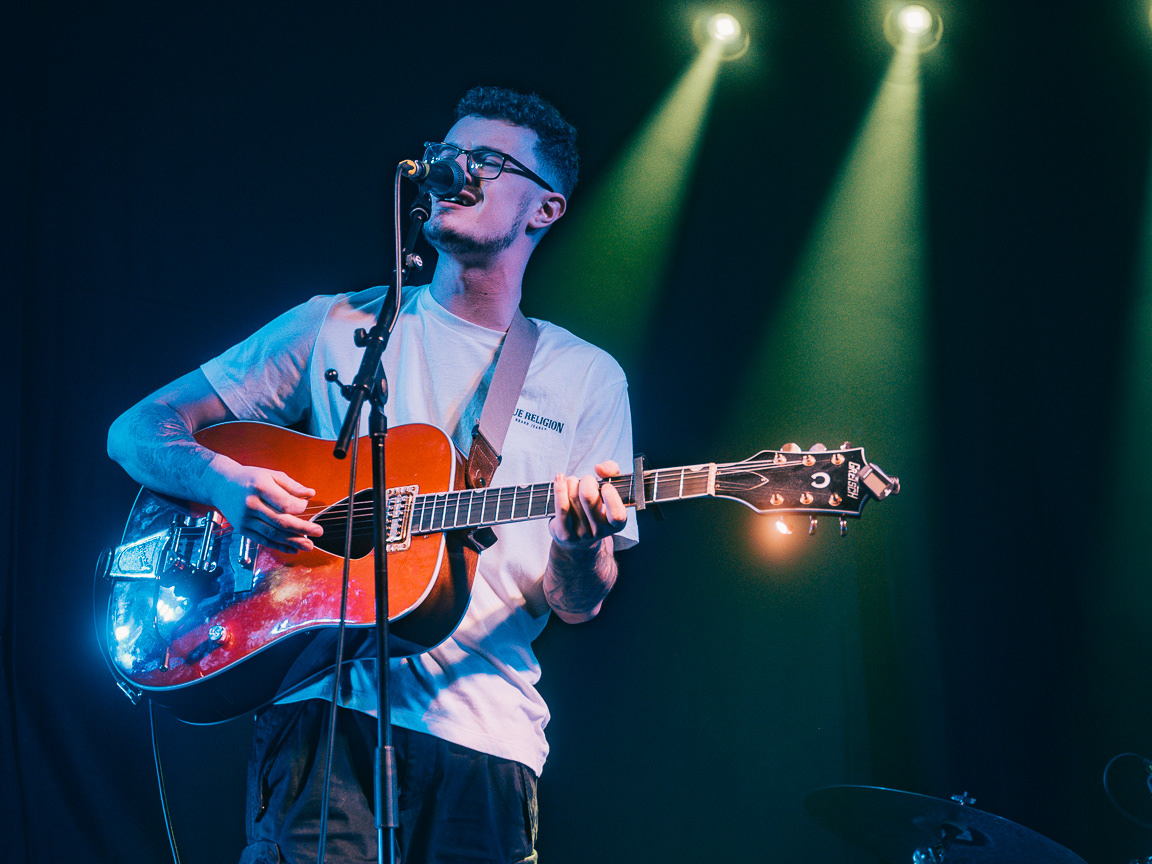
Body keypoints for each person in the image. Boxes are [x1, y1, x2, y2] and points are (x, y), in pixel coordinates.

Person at [107, 85, 639, 864]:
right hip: (323, 720)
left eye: (490, 161)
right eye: (449, 153)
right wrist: (223, 481)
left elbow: (577, 602)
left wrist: (577, 545)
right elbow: (136, 431)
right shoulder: (335, 324)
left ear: (545, 209)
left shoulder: (584, 377)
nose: (457, 169)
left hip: (488, 737)